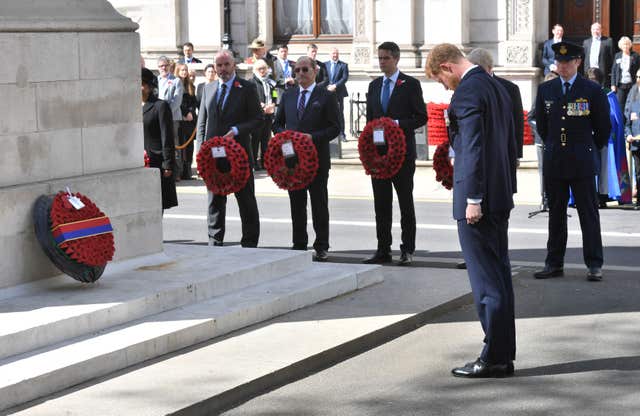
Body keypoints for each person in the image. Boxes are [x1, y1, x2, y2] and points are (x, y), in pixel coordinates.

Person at [426, 43, 516, 378]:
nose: (444, 87)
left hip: (479, 198)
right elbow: (508, 145)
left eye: (440, 80)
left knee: (486, 282)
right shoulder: (497, 87)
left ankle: (494, 357)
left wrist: (474, 198)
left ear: (448, 66)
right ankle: (502, 353)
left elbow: (474, 147)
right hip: (500, 194)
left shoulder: (466, 93)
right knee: (500, 278)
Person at [533, 41, 611, 282]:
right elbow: (543, 127)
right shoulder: (547, 90)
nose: (562, 66)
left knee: (588, 214)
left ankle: (594, 264)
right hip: (556, 160)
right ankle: (554, 262)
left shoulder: (592, 90)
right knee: (556, 214)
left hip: (582, 161)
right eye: (559, 62)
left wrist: (587, 149)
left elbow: (603, 129)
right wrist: (556, 146)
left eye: (567, 62)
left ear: (578, 62)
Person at [363, 42, 427, 266]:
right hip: (379, 157)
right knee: (381, 205)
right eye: (379, 58)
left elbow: (421, 117)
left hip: (402, 155)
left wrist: (397, 123)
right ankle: (383, 249)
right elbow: (371, 121)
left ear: (396, 59)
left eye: (386, 58)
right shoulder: (373, 86)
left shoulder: (410, 84)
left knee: (405, 204)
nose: (382, 62)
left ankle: (407, 249)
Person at [273, 56, 340, 261]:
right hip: (292, 161)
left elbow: (335, 127)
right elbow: (277, 124)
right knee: (297, 205)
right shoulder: (288, 95)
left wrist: (313, 137)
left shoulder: (325, 96)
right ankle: (299, 245)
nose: (300, 73)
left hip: (317, 160)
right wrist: (285, 137)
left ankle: (321, 246)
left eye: (305, 69)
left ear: (315, 71)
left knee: (319, 204)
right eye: (297, 70)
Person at [196, 51, 262, 247]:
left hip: (239, 156)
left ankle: (249, 243)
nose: (222, 69)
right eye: (219, 65)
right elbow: (202, 124)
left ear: (234, 66)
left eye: (226, 64)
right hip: (213, 159)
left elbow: (258, 119)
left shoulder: (247, 88)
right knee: (214, 202)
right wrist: (200, 152)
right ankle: (215, 241)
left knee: (246, 201)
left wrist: (236, 130)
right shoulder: (208, 89)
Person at [467, 48, 524, 161]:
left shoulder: (510, 88)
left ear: (489, 68)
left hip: (505, 151)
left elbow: (517, 122)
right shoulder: (467, 88)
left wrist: (516, 154)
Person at [141, 68, 178, 211]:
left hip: (155, 161)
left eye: (142, 84)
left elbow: (167, 136)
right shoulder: (130, 107)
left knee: (156, 205)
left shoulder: (160, 106)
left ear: (150, 87)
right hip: (136, 163)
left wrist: (168, 164)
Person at [528, 71, 560, 211]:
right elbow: (531, 117)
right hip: (542, 141)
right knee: (544, 171)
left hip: (557, 141)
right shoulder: (540, 97)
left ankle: (555, 198)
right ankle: (544, 198)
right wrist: (542, 130)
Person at [250, 59, 277, 170]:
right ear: (255, 70)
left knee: (266, 139)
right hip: (257, 115)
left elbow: (274, 94)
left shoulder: (270, 81)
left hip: (268, 114)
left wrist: (273, 104)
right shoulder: (252, 82)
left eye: (264, 68)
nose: (262, 71)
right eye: (260, 69)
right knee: (255, 139)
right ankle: (254, 162)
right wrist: (261, 105)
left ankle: (265, 162)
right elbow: (251, 97)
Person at [175, 63, 198, 180]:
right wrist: (185, 113)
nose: (184, 72)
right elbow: (177, 102)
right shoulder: (175, 83)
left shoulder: (190, 86)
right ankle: (180, 171)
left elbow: (194, 102)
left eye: (186, 70)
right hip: (181, 118)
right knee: (181, 145)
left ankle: (188, 172)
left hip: (190, 120)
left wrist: (191, 112)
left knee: (189, 147)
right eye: (182, 70)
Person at [157, 55, 183, 160]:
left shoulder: (176, 81)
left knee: (174, 144)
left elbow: (177, 101)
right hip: (158, 118)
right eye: (161, 66)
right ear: (158, 67)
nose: (163, 68)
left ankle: (177, 172)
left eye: (165, 65)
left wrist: (166, 114)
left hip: (172, 118)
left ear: (169, 66)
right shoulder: (156, 80)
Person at [623, 70, 640, 208]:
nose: (639, 78)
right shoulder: (633, 97)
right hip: (636, 143)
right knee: (638, 172)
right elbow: (627, 122)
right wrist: (628, 135)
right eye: (638, 76)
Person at [325, 47, 349, 142]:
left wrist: (335, 86)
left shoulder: (343, 65)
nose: (335, 55)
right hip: (326, 93)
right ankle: (328, 134)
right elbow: (323, 77)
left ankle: (342, 134)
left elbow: (344, 78)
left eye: (336, 53)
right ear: (330, 54)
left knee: (339, 113)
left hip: (338, 93)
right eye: (333, 53)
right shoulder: (324, 65)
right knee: (326, 113)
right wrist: (327, 86)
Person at [611, 36, 640, 112]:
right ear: (621, 46)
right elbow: (613, 70)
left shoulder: (635, 56)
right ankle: (622, 122)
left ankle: (630, 122)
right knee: (620, 104)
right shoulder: (617, 55)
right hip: (620, 85)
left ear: (630, 45)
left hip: (632, 84)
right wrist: (613, 84)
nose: (625, 46)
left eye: (627, 44)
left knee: (632, 103)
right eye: (624, 44)